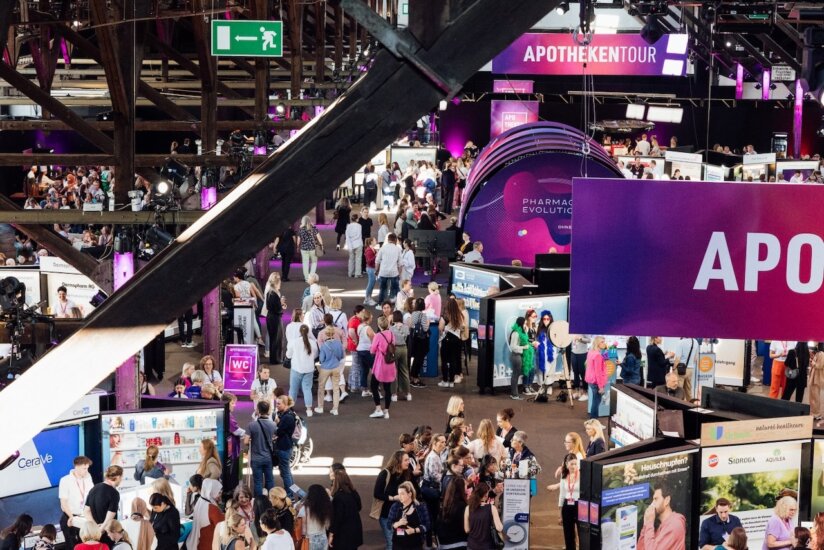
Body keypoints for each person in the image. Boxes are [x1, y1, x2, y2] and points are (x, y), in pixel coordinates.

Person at [374, 451, 412, 549]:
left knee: (400, 540)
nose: (408, 462)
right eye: (406, 460)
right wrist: (393, 498)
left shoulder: (406, 473)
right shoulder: (384, 474)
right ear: (398, 462)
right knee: (391, 543)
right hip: (387, 516)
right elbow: (377, 494)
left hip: (401, 517)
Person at [59, 456, 95, 550]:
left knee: (85, 545)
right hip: (70, 517)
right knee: (72, 546)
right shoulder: (65, 480)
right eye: (84, 468)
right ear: (77, 466)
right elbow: (63, 503)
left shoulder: (88, 478)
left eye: (87, 468)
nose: (86, 471)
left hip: (84, 517)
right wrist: (71, 517)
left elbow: (92, 496)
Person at [636, 484, 687, 550]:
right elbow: (640, 548)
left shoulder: (675, 523)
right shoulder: (661, 527)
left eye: (656, 499)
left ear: (667, 500)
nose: (652, 504)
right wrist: (645, 525)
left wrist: (650, 522)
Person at [245, 400, 277, 496]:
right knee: (270, 480)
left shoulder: (251, 425)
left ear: (258, 410)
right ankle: (272, 500)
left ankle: (259, 502)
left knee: (258, 482)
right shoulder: (273, 425)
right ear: (269, 410)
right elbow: (275, 438)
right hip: (268, 457)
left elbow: (246, 441)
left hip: (256, 458)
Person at [548, 454, 580, 550]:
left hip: (579, 505)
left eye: (575, 464)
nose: (574, 466)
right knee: (568, 535)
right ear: (566, 464)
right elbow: (562, 494)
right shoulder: (564, 475)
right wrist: (559, 514)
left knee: (582, 533)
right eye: (571, 464)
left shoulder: (582, 474)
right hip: (567, 507)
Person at [84, 465, 123, 543]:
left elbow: (86, 511)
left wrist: (95, 528)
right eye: (121, 477)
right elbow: (110, 517)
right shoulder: (114, 493)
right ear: (118, 477)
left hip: (95, 533)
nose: (121, 480)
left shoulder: (94, 488)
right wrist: (101, 530)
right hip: (108, 534)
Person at [387, 481, 430, 550]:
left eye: (402, 494)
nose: (399, 496)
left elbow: (427, 525)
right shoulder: (395, 506)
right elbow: (389, 525)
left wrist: (414, 530)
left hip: (416, 544)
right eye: (398, 494)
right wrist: (397, 524)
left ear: (410, 494)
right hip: (398, 544)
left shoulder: (420, 507)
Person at [287, 324, 319, 416]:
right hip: (309, 369)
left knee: (293, 389)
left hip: (296, 368)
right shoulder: (312, 343)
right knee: (307, 389)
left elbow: (288, 355)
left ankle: (290, 407)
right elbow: (315, 355)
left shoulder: (294, 342)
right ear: (309, 332)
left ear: (299, 332)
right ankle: (309, 409)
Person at [369, 315, 397, 419]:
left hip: (380, 364)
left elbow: (372, 350)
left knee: (374, 386)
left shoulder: (378, 336)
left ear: (379, 325)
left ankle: (378, 409)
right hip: (390, 363)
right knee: (387, 388)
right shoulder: (391, 334)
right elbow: (393, 345)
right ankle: (386, 411)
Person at [329, 469, 363, 550]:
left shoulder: (338, 497)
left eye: (333, 481)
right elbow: (359, 507)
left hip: (343, 534)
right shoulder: (353, 492)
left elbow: (337, 518)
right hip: (355, 530)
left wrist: (331, 534)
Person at [317, 317, 344, 415]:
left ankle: (320, 407)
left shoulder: (324, 345)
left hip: (325, 368)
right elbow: (341, 355)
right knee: (336, 388)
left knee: (321, 387)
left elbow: (321, 359)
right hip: (336, 367)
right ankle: (335, 409)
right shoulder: (338, 343)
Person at [464, 482, 503, 549]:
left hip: (472, 545)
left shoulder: (468, 508)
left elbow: (467, 529)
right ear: (485, 494)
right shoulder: (491, 508)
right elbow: (499, 528)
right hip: (487, 546)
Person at [274, 395, 298, 499]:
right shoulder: (289, 414)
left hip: (284, 447)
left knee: (286, 473)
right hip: (287, 446)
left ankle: (289, 495)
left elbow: (279, 431)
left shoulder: (287, 417)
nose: (277, 406)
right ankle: (292, 492)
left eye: (279, 404)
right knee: (286, 472)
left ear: (285, 404)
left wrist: (276, 424)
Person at [438, 298, 465, 388]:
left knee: (445, 360)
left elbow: (441, 328)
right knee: (453, 360)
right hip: (457, 340)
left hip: (447, 340)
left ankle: (445, 380)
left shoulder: (445, 316)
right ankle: (451, 381)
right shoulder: (460, 315)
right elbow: (462, 328)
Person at [301, 484, 332, 550]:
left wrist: (303, 534)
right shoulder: (326, 507)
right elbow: (327, 525)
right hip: (323, 537)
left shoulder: (305, 508)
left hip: (310, 539)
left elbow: (303, 526)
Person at [264, 273, 286, 365]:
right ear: (277, 283)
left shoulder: (270, 293)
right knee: (277, 339)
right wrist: (281, 304)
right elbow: (277, 309)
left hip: (271, 317)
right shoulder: (273, 294)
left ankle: (275, 358)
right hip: (275, 319)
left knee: (274, 338)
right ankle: (276, 359)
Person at [408, 298, 430, 388]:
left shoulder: (413, 314)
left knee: (415, 358)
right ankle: (415, 378)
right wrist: (428, 323)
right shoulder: (423, 315)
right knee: (419, 359)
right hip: (422, 340)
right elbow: (425, 328)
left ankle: (412, 376)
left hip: (414, 339)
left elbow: (410, 325)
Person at [585, 336, 609, 418]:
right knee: (596, 402)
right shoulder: (597, 355)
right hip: (596, 382)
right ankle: (594, 422)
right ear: (598, 343)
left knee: (595, 401)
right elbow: (598, 373)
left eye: (604, 341)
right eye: (602, 342)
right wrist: (601, 387)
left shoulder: (591, 352)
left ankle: (593, 421)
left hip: (591, 380)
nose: (604, 343)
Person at [376, 233, 403, 305]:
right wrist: (399, 274)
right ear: (395, 240)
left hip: (383, 272)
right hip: (394, 272)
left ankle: (381, 302)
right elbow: (400, 263)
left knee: (383, 288)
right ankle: (396, 301)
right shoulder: (397, 249)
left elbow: (377, 260)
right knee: (395, 288)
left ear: (388, 240)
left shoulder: (382, 248)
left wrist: (376, 271)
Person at [508, 316, 531, 400]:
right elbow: (513, 347)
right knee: (515, 375)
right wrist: (524, 347)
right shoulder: (516, 333)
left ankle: (514, 394)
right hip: (516, 356)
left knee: (516, 375)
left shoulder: (520, 332)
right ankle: (514, 394)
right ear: (521, 323)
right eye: (524, 323)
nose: (525, 325)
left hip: (518, 356)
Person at [297, 215, 323, 282]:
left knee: (305, 263)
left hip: (304, 248)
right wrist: (321, 245)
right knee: (314, 262)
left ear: (303, 221)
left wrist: (297, 246)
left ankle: (306, 278)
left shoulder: (300, 230)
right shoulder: (314, 229)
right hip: (313, 248)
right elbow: (319, 238)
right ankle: (311, 277)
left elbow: (298, 240)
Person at [570, 335, 590, 400]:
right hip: (573, 353)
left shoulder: (583, 328)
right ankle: (577, 391)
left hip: (583, 354)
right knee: (575, 373)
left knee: (583, 373)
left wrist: (580, 338)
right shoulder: (571, 330)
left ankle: (585, 392)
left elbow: (589, 340)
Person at [345, 212, 364, 277]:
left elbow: (347, 236)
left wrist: (350, 243)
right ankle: (357, 273)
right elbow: (358, 235)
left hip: (350, 245)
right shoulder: (359, 226)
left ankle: (350, 273)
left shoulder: (348, 226)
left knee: (351, 259)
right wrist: (354, 240)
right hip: (358, 244)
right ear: (357, 219)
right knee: (358, 259)